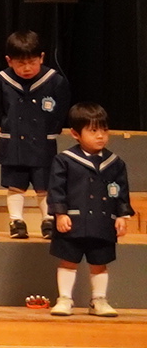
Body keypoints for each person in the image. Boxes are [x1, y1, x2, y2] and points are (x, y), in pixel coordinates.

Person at [49, 101, 131, 316]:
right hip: (73, 221)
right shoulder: (65, 160)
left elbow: (120, 191)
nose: (100, 136)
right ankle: (65, 299)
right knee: (68, 261)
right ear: (76, 134)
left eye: (104, 130)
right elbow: (57, 189)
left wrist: (121, 215)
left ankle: (99, 300)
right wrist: (60, 213)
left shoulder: (115, 163)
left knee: (100, 262)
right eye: (93, 131)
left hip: (102, 221)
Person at [0, 29, 72, 238]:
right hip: (14, 143)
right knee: (15, 185)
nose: (27, 68)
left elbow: (60, 111)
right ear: (9, 61)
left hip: (43, 142)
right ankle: (16, 221)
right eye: (20, 63)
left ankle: (48, 220)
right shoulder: (0, 82)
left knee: (44, 185)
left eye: (32, 62)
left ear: (41, 58)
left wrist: (50, 130)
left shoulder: (55, 81)